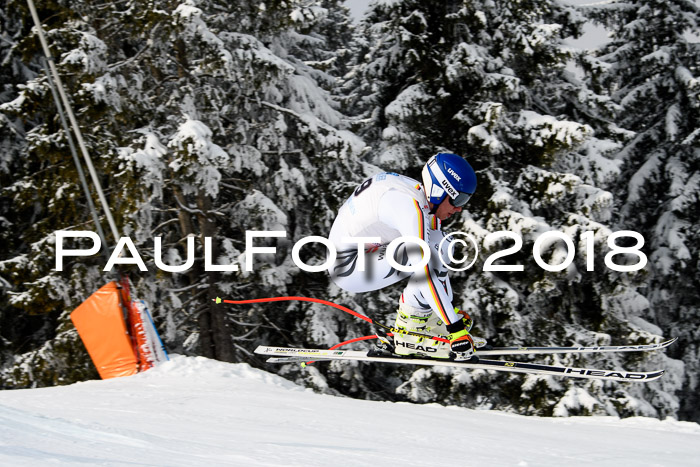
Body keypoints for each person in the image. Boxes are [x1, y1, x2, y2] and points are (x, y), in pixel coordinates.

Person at [327, 153, 485, 360]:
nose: (459, 208)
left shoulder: (415, 195)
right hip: (349, 267)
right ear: (439, 190)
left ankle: (421, 324)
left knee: (439, 243)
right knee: (434, 249)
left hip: (361, 254)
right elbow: (425, 269)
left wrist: (448, 318)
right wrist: (454, 328)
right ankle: (410, 330)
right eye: (458, 199)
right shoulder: (409, 207)